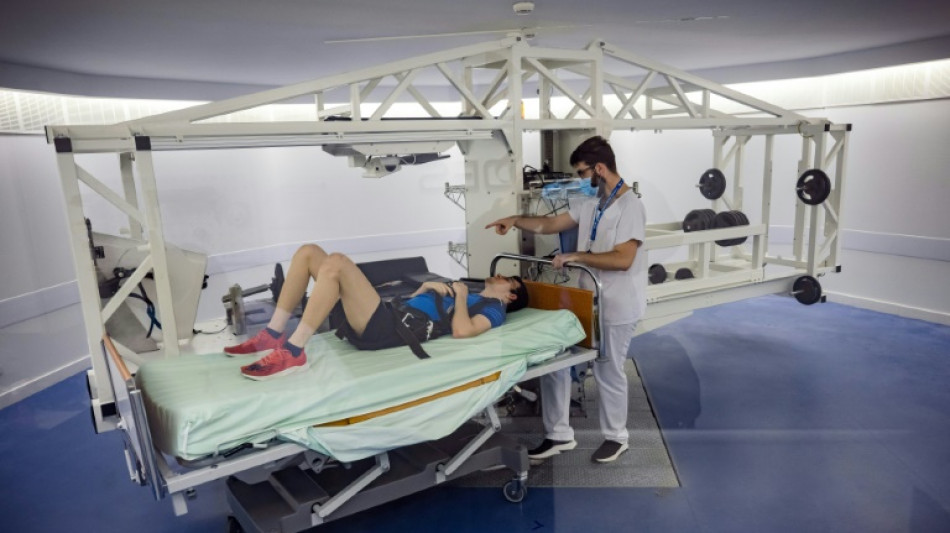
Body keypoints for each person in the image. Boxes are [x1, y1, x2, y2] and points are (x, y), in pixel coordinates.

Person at [485, 135, 647, 464]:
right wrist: (514, 220)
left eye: (583, 173)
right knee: (556, 358)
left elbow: (623, 259)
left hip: (617, 303)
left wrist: (577, 256)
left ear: (599, 168)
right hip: (584, 299)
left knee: (608, 370)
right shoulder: (591, 203)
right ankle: (559, 434)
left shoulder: (630, 206)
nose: (581, 180)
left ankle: (617, 438)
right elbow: (549, 224)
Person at [224, 243, 530, 380]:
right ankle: (273, 334)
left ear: (511, 295)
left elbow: (462, 331)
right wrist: (423, 289)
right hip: (390, 314)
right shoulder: (472, 291)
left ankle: (294, 350)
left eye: (508, 279)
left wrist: (460, 295)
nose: (500, 275)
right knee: (309, 252)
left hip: (389, 329)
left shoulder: (494, 309)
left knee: (338, 262)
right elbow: (420, 307)